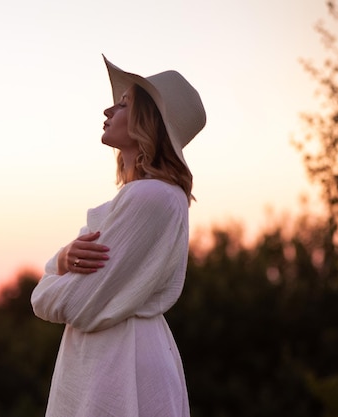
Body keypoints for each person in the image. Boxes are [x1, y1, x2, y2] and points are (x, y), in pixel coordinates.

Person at [30, 55, 206, 417]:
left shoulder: (151, 197)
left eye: (124, 104)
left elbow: (72, 303)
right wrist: (63, 259)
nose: (109, 110)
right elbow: (65, 292)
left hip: (122, 365)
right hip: (109, 359)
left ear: (148, 123)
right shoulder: (138, 198)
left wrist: (52, 278)